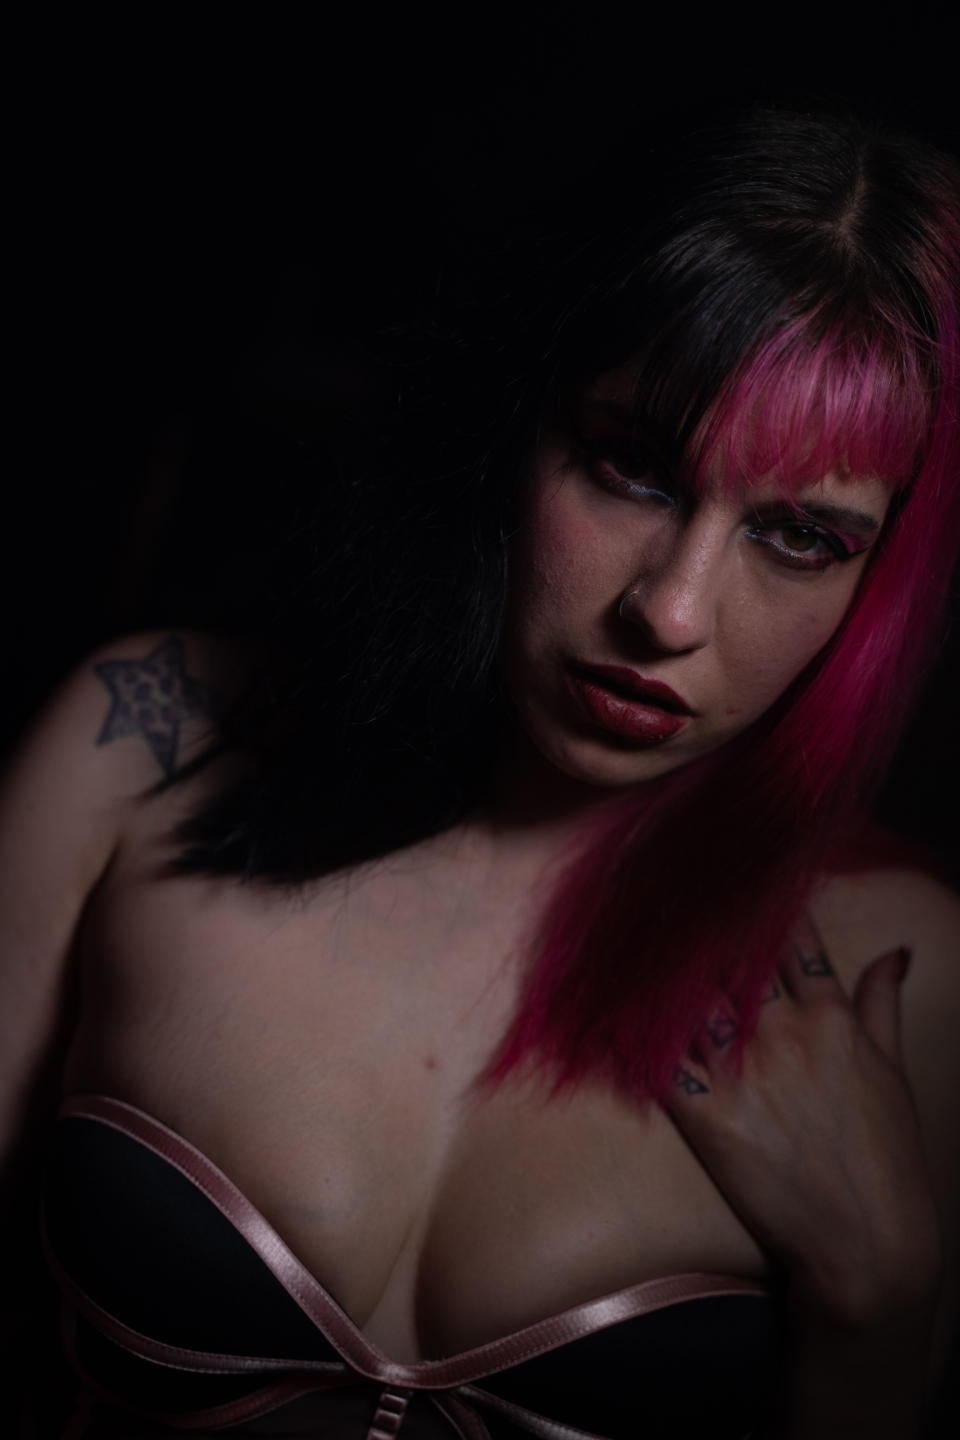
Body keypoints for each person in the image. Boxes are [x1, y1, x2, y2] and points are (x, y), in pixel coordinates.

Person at [2, 100, 959, 1439]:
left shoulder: (904, 979)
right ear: (519, 428)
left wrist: (882, 1305)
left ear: (880, 580)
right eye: (632, 468)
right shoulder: (136, 749)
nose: (671, 611)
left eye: (801, 536)